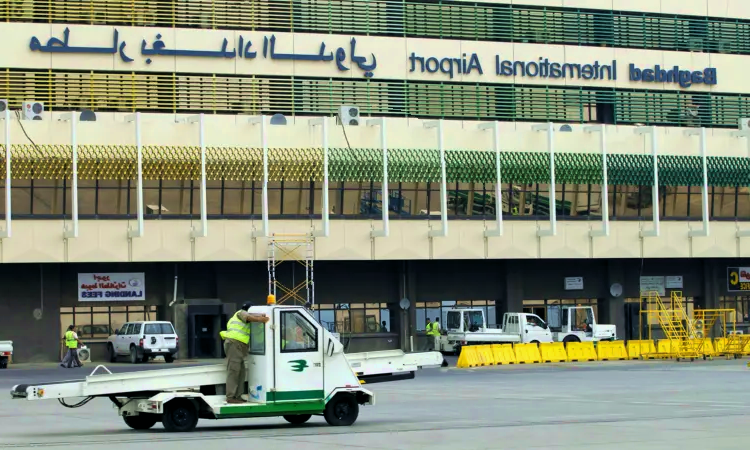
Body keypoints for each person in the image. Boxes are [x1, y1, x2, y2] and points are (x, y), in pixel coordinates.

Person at [222, 300, 269, 404]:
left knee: (241, 372)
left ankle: (237, 396)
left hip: (239, 346)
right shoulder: (241, 312)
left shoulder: (247, 320)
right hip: (234, 344)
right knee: (234, 371)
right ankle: (230, 397)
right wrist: (260, 319)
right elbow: (247, 317)